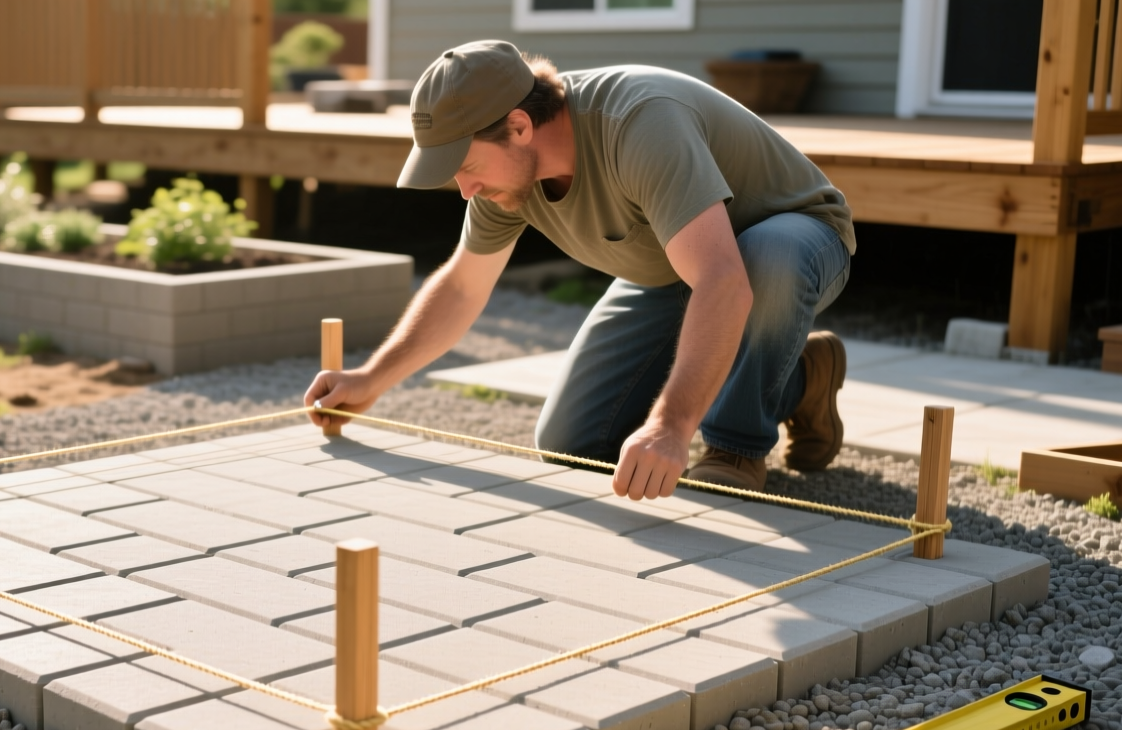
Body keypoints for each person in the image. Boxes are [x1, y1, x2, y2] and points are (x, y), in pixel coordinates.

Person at [304, 40, 854, 499]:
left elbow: (722, 280)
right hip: (671, 268)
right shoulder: (504, 180)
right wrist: (370, 379)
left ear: (519, 126)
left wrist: (671, 426)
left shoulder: (638, 123)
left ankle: (736, 445)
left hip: (792, 237)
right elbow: (462, 287)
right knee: (572, 442)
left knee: (762, 262)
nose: (465, 189)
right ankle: (801, 377)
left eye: (466, 166)